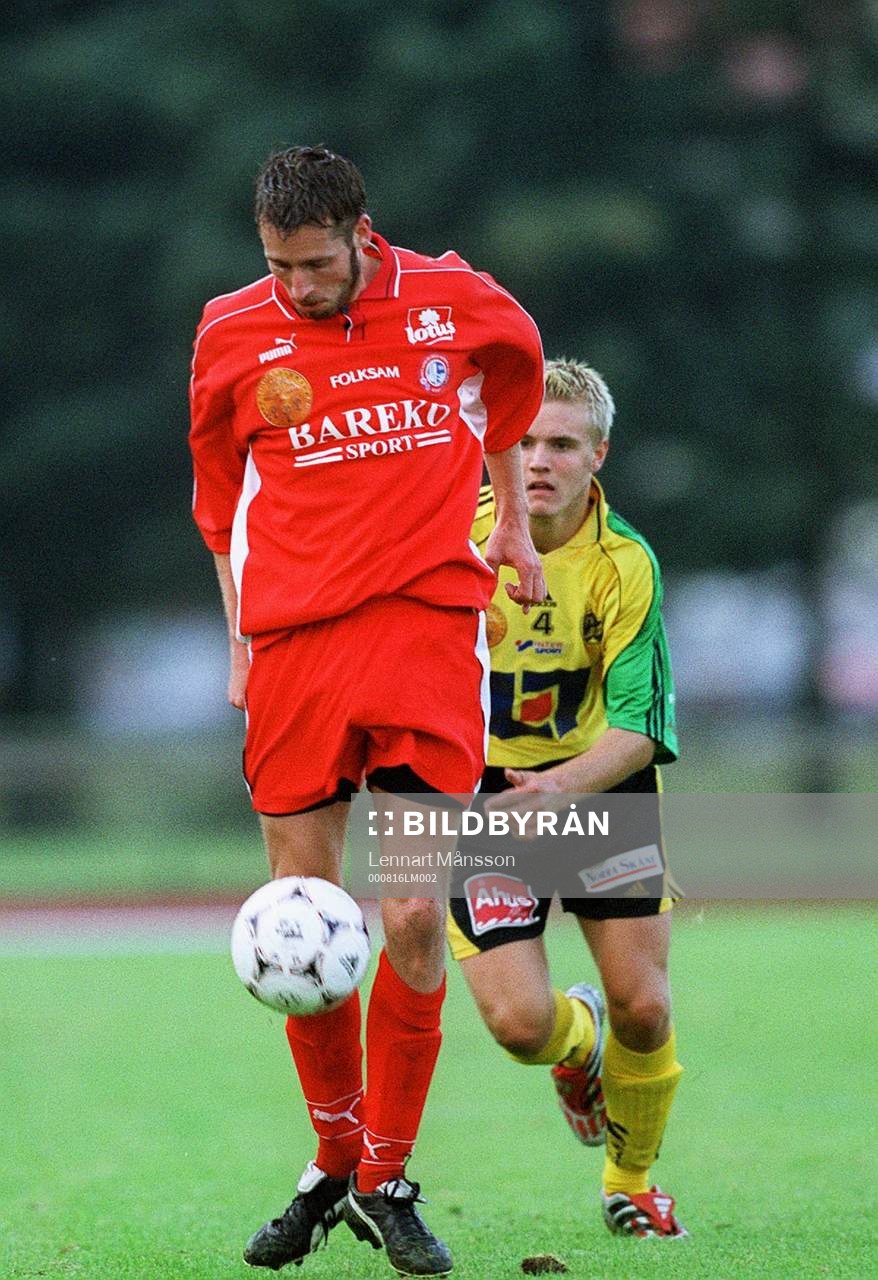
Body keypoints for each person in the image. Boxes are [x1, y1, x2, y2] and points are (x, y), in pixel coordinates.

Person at [188, 145, 545, 1276]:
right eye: (278, 264)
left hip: (428, 631)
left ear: (360, 231)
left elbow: (517, 365)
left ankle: (385, 1175)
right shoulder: (230, 331)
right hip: (295, 646)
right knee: (300, 919)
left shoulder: (449, 296)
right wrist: (240, 638)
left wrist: (509, 520)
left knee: (405, 923)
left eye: (315, 261)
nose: (298, 284)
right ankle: (337, 1158)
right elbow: (216, 504)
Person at [447, 359, 687, 1239]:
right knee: (519, 1027)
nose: (538, 461)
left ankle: (631, 1179)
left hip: (600, 791)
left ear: (599, 457)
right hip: (477, 802)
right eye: (521, 442)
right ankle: (577, 1044)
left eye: (561, 444)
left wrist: (557, 791)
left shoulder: (625, 564)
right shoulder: (449, 539)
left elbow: (642, 727)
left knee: (647, 1005)